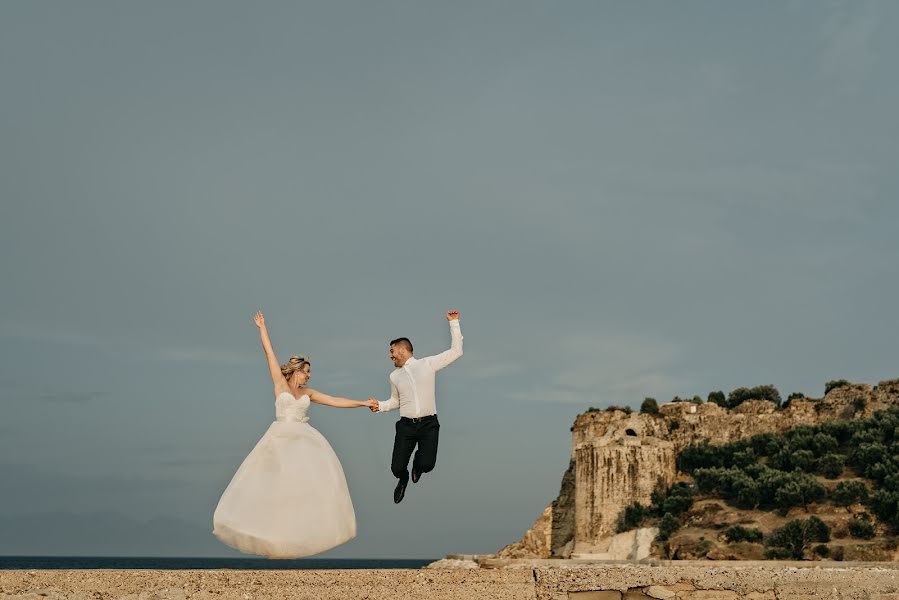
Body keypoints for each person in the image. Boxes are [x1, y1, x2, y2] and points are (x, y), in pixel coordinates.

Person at [212, 311, 377, 558]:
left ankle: (296, 536)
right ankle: (267, 533)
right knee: (270, 489)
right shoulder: (279, 383)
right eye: (306, 372)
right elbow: (269, 354)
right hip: (278, 440)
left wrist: (363, 403)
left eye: (309, 373)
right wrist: (262, 328)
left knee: (302, 491)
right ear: (296, 370)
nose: (309, 376)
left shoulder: (308, 393)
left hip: (303, 442)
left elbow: (334, 400)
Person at [370, 310, 463, 503]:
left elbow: (456, 352)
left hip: (429, 424)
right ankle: (403, 478)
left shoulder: (427, 364)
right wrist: (380, 406)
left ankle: (418, 467)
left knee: (427, 464)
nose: (390, 356)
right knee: (396, 468)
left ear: (403, 350)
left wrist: (454, 323)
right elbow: (396, 401)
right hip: (406, 426)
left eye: (392, 351)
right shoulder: (394, 376)